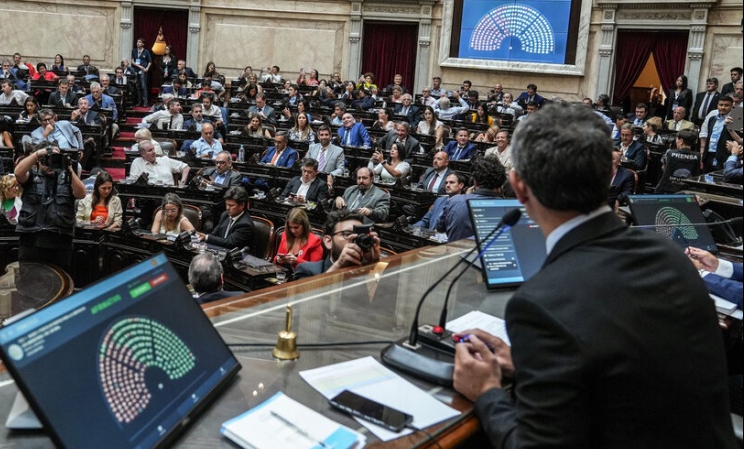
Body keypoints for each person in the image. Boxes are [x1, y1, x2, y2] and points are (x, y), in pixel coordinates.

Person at [451, 102, 735, 449]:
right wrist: (533, 366)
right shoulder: (670, 256)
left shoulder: (540, 304)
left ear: (519, 187)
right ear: (607, 175)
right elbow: (623, 371)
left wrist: (486, 392)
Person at [14, 142, 87, 272]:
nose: (49, 165)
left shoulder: (67, 178)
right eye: (45, 161)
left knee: (61, 284)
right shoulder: (32, 176)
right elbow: (18, 173)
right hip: (32, 239)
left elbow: (81, 193)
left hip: (60, 241)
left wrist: (68, 168)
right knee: (28, 283)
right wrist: (37, 154)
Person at [294, 210, 382, 278]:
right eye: (347, 234)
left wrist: (374, 266)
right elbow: (309, 299)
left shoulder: (371, 267)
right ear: (328, 241)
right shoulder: (307, 270)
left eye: (360, 236)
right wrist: (339, 265)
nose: (354, 240)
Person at [437, 155, 506, 242]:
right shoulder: (509, 208)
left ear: (475, 181)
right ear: (500, 184)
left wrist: (465, 197)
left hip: (457, 254)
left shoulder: (455, 201)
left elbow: (440, 227)